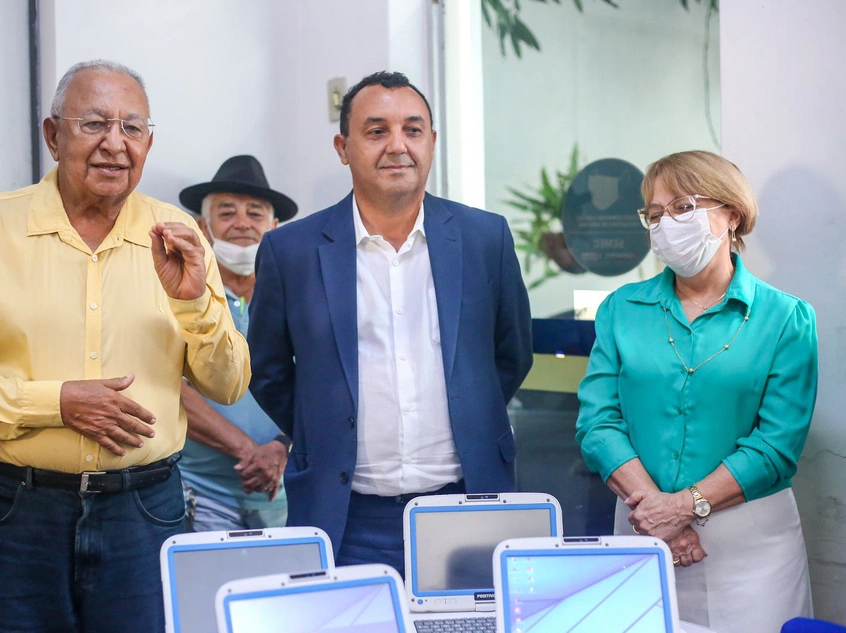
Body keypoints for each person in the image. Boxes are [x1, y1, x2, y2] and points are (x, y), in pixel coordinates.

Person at [0, 60, 250, 633]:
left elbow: (229, 383)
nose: (114, 144)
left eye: (132, 128)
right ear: (53, 135)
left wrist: (192, 304)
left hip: (145, 510)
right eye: (94, 124)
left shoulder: (180, 235)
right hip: (19, 509)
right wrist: (54, 403)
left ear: (148, 142)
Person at [247, 71, 534, 575]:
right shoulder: (290, 250)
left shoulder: (485, 237)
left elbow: (511, 355)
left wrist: (470, 413)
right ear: (343, 146)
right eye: (376, 131)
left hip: (467, 502)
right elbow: (268, 370)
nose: (397, 146)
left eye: (413, 129)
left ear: (433, 142)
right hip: (346, 516)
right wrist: (325, 430)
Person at [575, 150, 817, 632]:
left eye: (683, 207)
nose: (666, 224)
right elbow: (597, 423)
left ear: (732, 214)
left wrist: (681, 507)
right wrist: (655, 510)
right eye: (655, 214)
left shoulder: (786, 318)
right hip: (644, 531)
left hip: (752, 548)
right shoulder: (622, 308)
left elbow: (777, 445)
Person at [176, 155, 298, 531]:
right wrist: (248, 451)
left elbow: (322, 381)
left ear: (275, 226)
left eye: (255, 213)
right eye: (227, 213)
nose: (242, 223)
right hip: (199, 494)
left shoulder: (300, 296)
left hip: (285, 492)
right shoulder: (181, 295)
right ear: (203, 226)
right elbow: (170, 387)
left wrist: (280, 446)